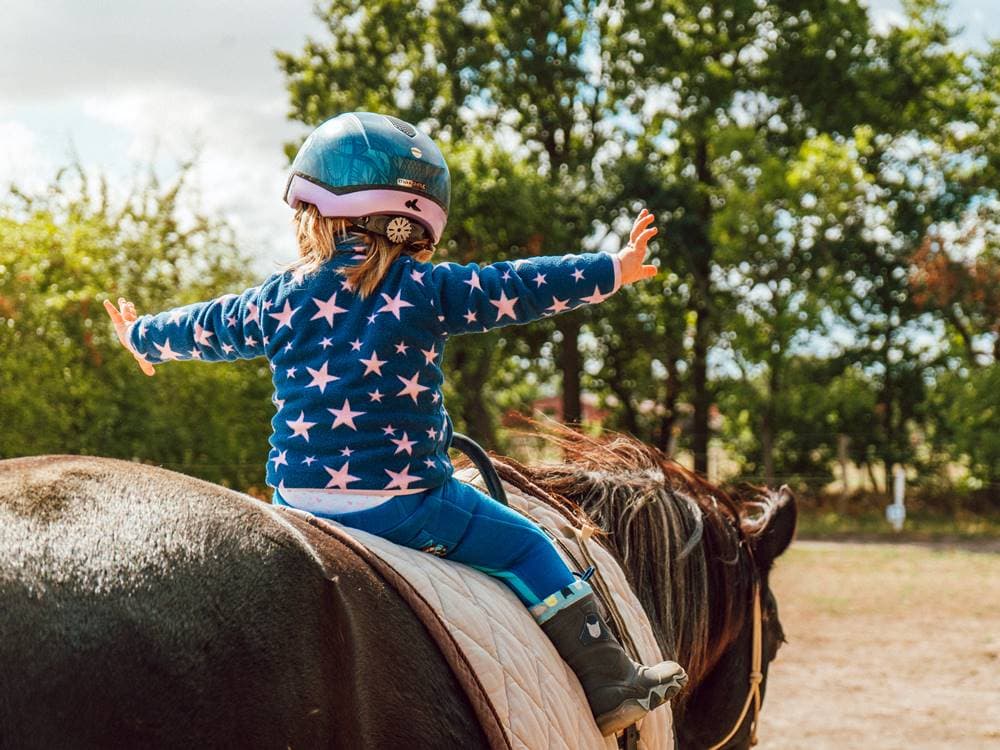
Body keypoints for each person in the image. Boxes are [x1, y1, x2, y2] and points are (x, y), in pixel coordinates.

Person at [105, 111, 686, 735]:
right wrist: (614, 269)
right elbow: (520, 285)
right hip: (405, 504)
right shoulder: (426, 289)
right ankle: (610, 681)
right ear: (419, 224)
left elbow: (209, 324)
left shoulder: (278, 297)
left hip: (297, 503)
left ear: (314, 212)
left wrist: (142, 336)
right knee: (527, 545)